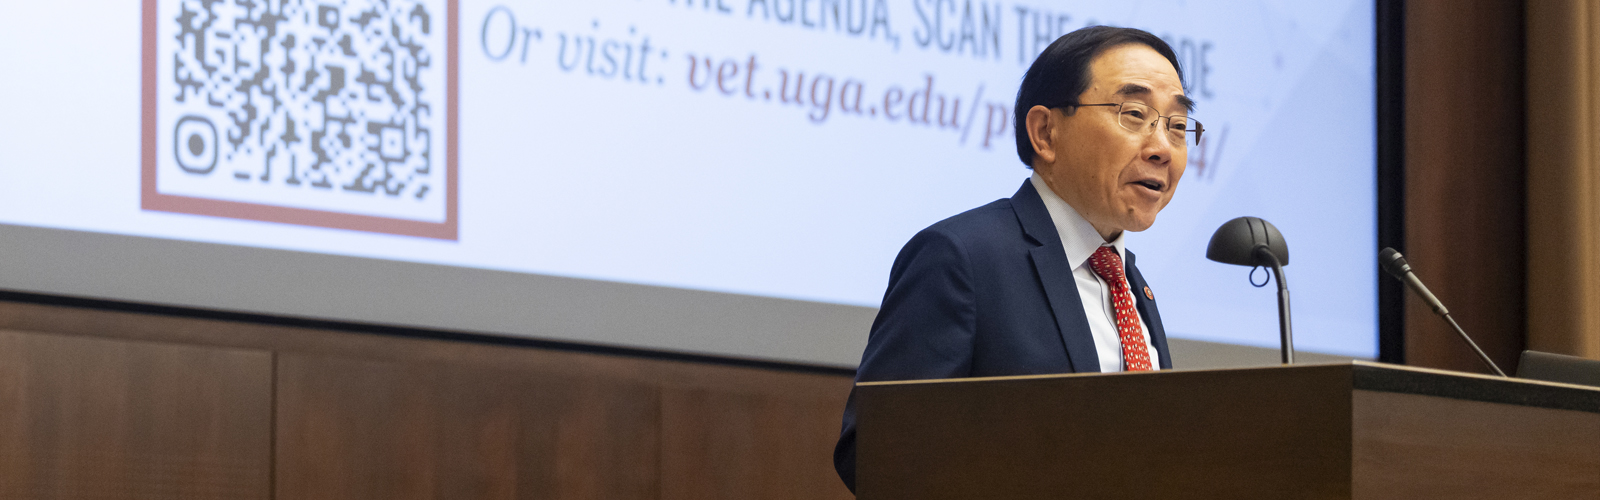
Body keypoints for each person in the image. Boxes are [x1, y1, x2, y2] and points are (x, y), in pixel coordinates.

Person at [833, 26, 1199, 493]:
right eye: (1134, 113)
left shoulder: (1131, 286)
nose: (1163, 148)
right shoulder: (962, 258)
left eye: (1178, 126)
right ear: (1045, 132)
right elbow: (876, 450)